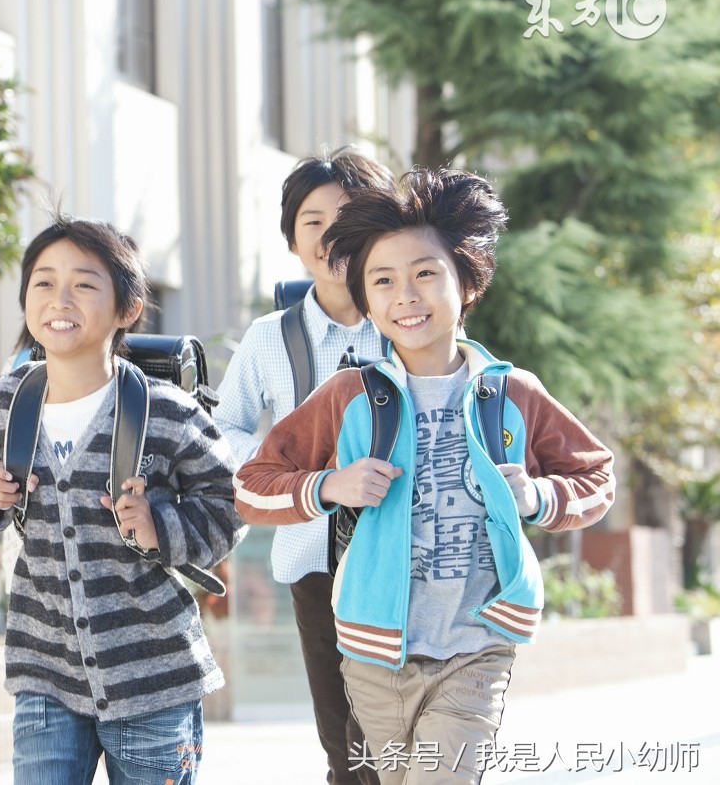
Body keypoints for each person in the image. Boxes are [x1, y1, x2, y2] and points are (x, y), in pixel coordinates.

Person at [234, 168, 616, 783]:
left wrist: (541, 495)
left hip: (478, 644)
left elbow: (596, 475)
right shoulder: (348, 396)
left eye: (425, 274)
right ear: (365, 299)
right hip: (372, 652)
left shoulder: (510, 392)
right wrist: (329, 486)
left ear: (465, 282)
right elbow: (254, 484)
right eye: (382, 281)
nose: (405, 296)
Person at [0, 215, 247, 784]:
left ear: (126, 309)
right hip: (44, 673)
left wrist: (161, 524)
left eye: (85, 284)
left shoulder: (167, 411)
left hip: (154, 677)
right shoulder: (4, 406)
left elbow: (228, 506)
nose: (61, 298)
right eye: (43, 282)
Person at [213, 146, 393, 785]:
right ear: (292, 239)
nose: (330, 233)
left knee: (390, 736)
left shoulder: (410, 321)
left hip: (405, 557)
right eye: (312, 220)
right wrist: (283, 475)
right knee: (343, 744)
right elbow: (224, 426)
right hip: (313, 558)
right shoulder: (271, 337)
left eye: (347, 216)